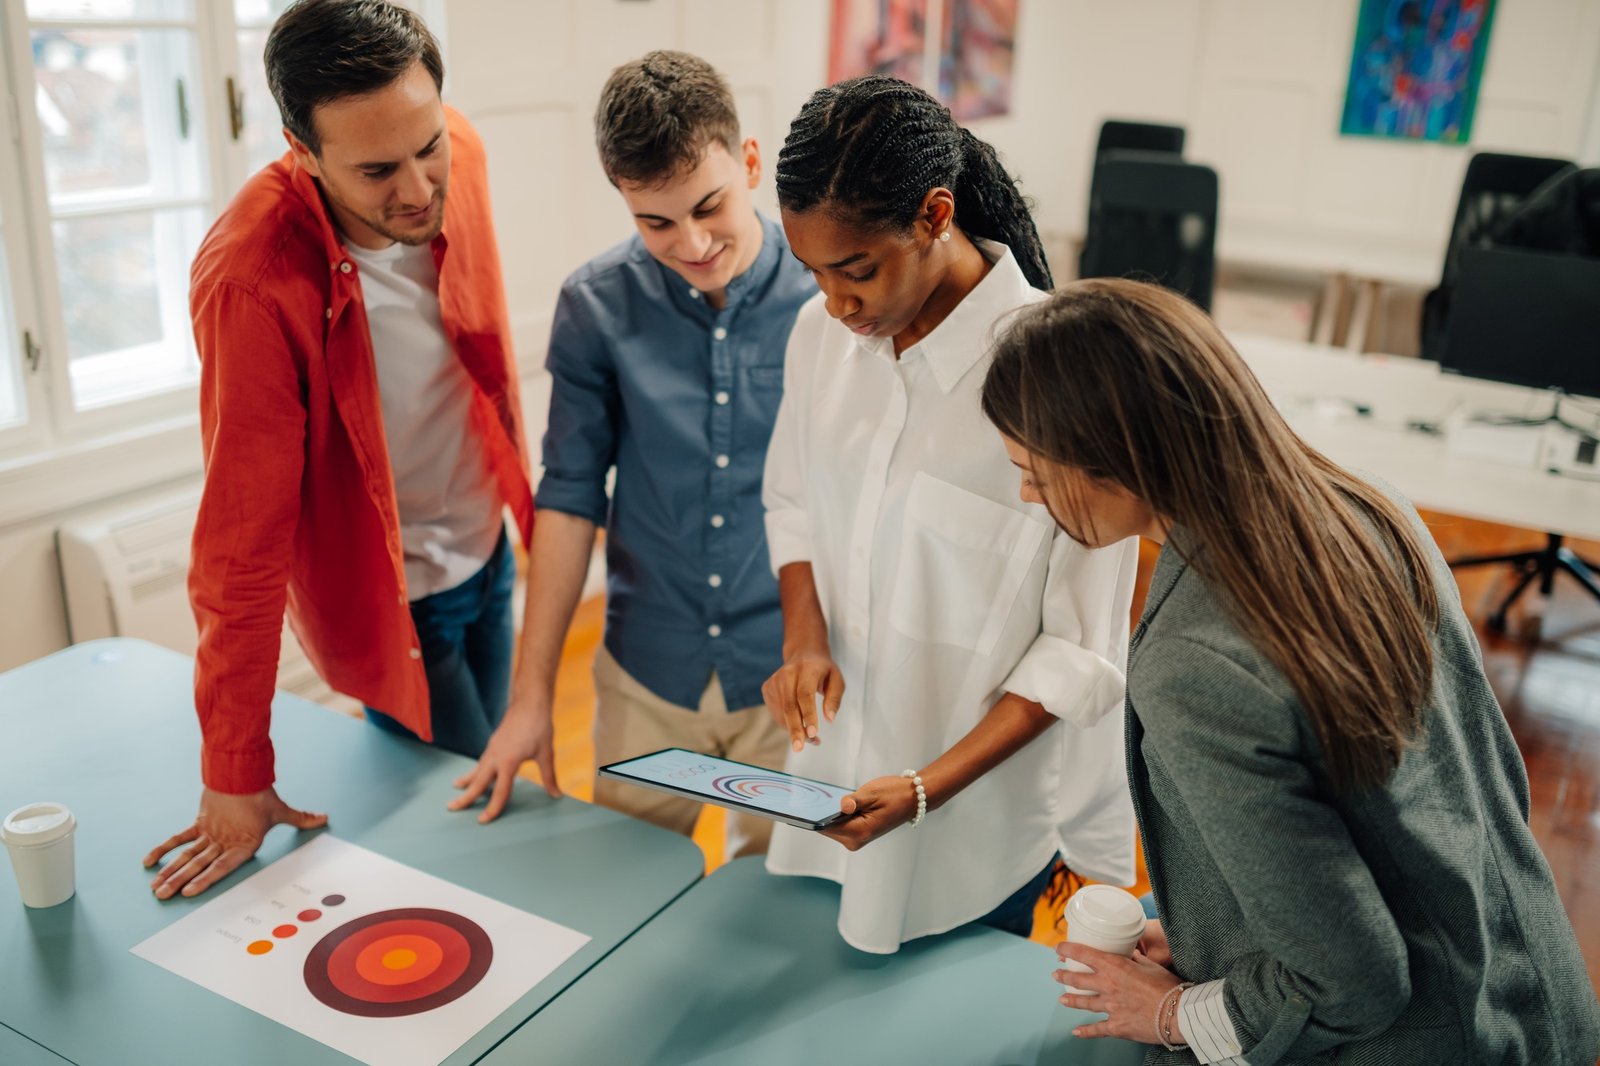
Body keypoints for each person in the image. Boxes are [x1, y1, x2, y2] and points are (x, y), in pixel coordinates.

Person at [981, 278, 1600, 1065]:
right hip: (1532, 997)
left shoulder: (1194, 664)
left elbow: (1352, 981)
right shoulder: (1368, 506)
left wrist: (1175, 1013)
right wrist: (1227, 927)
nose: (1028, 496)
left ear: (1120, 456)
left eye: (1035, 470)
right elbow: (1440, 801)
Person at [145, 0, 532, 900]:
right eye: (376, 170)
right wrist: (234, 771)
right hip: (399, 602)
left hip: (487, 546)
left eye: (425, 146)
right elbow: (242, 542)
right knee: (477, 832)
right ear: (300, 149)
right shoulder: (251, 279)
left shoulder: (456, 151)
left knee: (498, 793)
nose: (419, 189)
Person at [759, 75, 1140, 954]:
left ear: (935, 215)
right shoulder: (821, 338)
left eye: (855, 271)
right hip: (830, 784)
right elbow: (792, 500)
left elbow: (1077, 654)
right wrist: (804, 637)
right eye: (811, 272)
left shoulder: (1061, 377)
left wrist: (927, 787)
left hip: (970, 842)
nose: (833, 302)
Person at [449, 51, 814, 858]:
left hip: (793, 682)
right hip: (648, 676)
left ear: (749, 163)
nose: (690, 243)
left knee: (783, 910)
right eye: (655, 222)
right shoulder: (594, 305)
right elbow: (570, 496)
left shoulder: (829, 295)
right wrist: (531, 695)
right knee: (625, 894)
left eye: (709, 206)